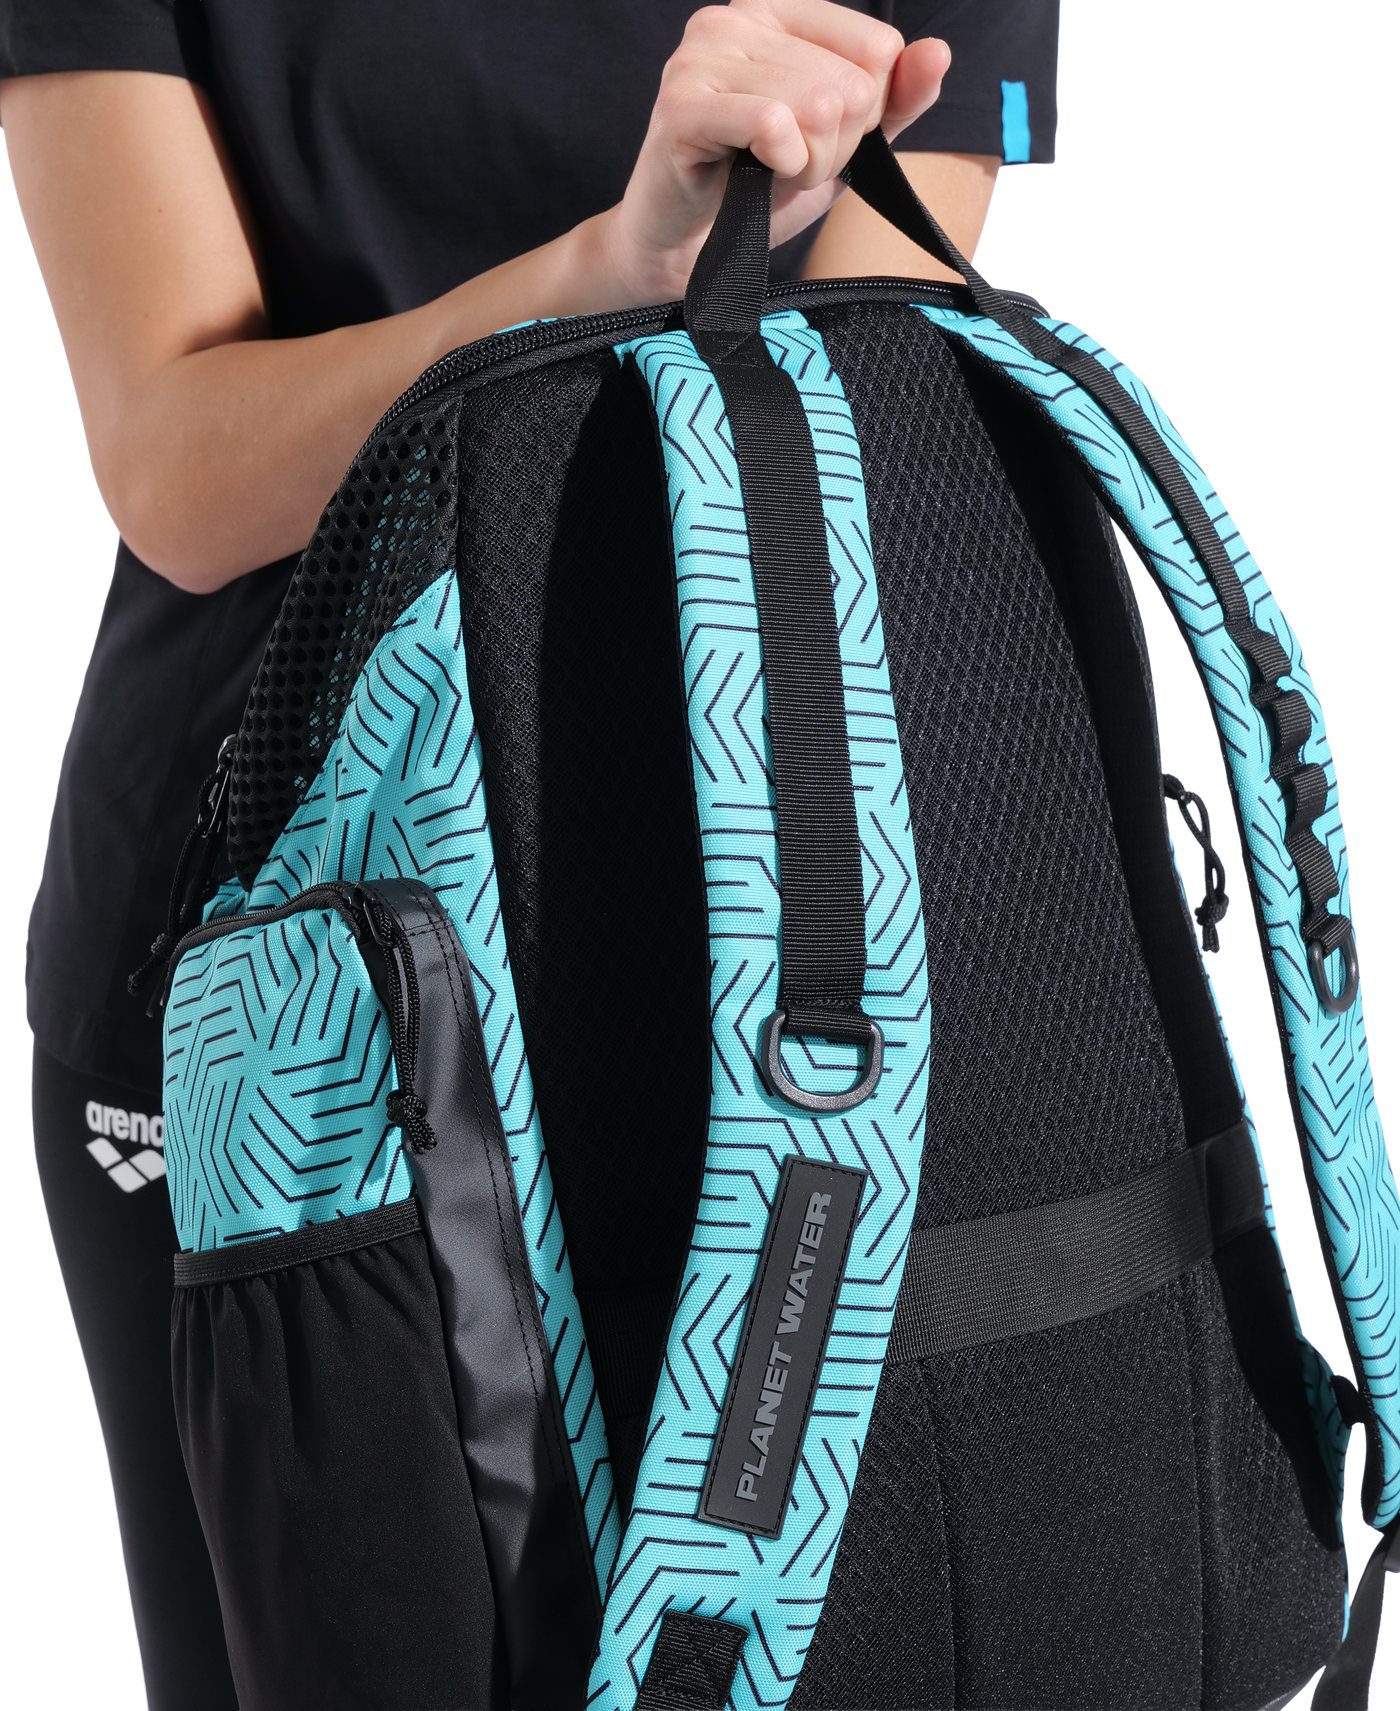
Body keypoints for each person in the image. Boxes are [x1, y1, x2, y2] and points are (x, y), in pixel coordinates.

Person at [2, 2, 1062, 1702]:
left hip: (776, 983)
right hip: (277, 996)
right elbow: (176, 467)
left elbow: (858, 422)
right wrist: (603, 270)